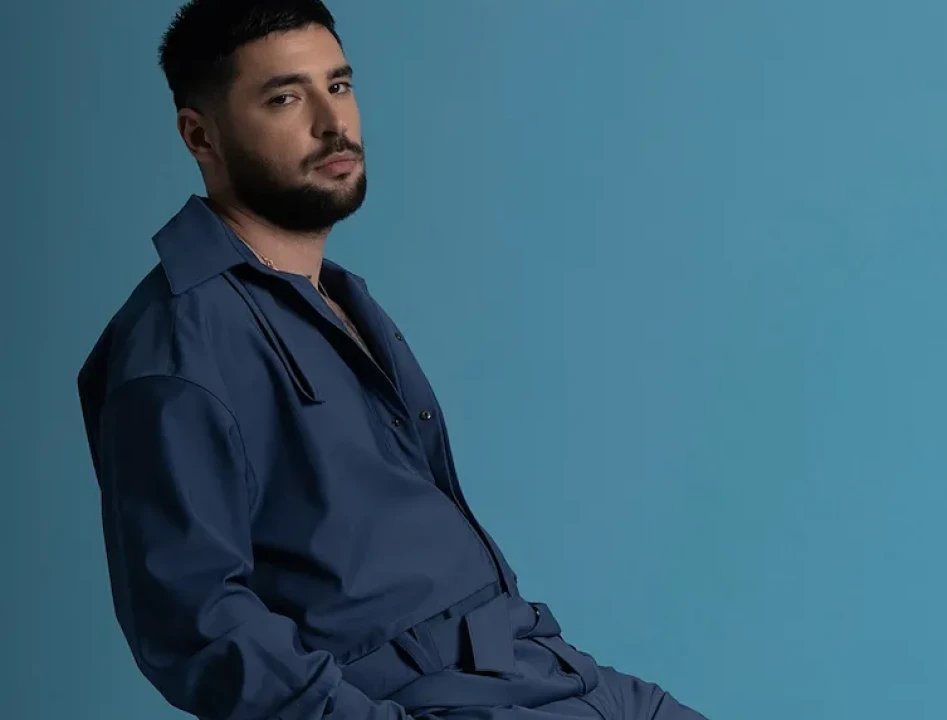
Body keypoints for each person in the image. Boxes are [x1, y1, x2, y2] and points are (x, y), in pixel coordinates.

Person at [75, 2, 708, 718]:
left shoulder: (341, 298)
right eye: (285, 98)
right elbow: (198, 627)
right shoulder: (174, 348)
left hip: (544, 669)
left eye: (338, 86)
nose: (331, 122)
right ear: (200, 135)